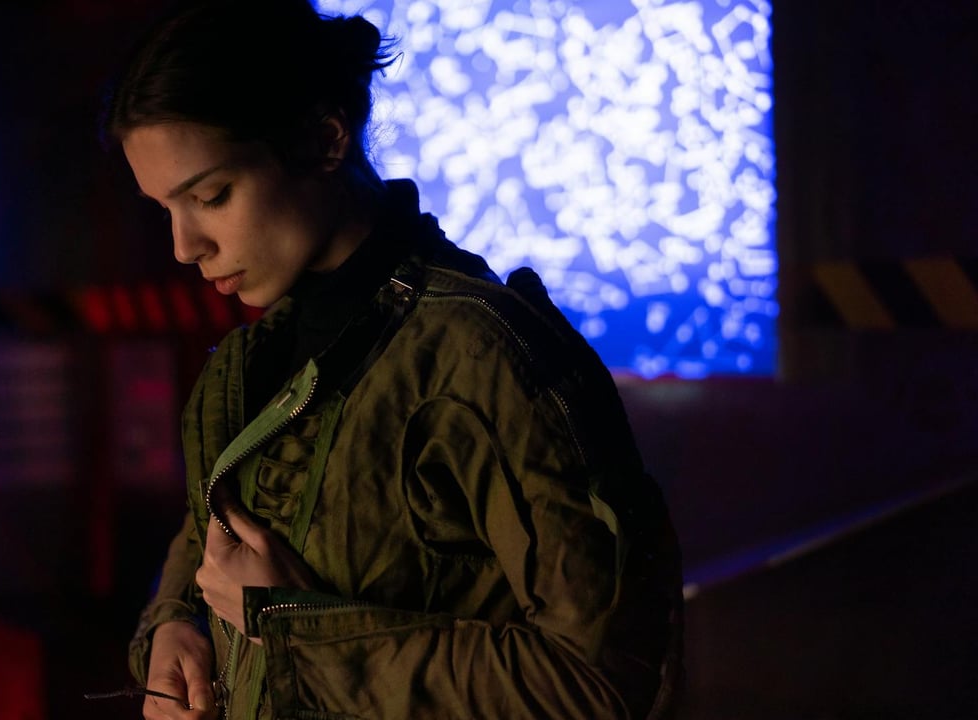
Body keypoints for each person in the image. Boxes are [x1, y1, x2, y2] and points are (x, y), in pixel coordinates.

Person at [104, 1, 683, 718]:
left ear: (324, 139)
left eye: (211, 196)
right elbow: (209, 543)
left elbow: (598, 686)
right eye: (164, 208)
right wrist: (176, 626)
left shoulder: (481, 359)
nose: (184, 246)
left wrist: (300, 631)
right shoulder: (248, 363)